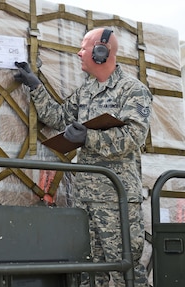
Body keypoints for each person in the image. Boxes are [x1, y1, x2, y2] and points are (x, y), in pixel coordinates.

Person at [13, 27, 152, 286]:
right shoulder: (86, 91)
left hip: (115, 200)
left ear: (101, 52)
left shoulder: (132, 90)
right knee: (88, 275)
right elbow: (58, 117)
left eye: (84, 48)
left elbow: (134, 137)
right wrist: (34, 85)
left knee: (126, 273)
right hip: (85, 199)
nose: (79, 53)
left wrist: (89, 137)